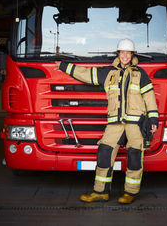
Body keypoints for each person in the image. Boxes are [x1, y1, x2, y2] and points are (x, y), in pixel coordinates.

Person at [55, 38, 158, 204]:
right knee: (104, 153)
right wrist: (64, 66)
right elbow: (86, 74)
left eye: (128, 53)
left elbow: (149, 96)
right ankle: (100, 192)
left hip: (136, 123)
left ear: (132, 55)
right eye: (122, 53)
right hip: (115, 123)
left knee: (134, 156)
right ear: (118, 54)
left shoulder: (141, 74)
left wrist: (153, 118)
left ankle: (130, 193)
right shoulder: (108, 72)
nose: (125, 56)